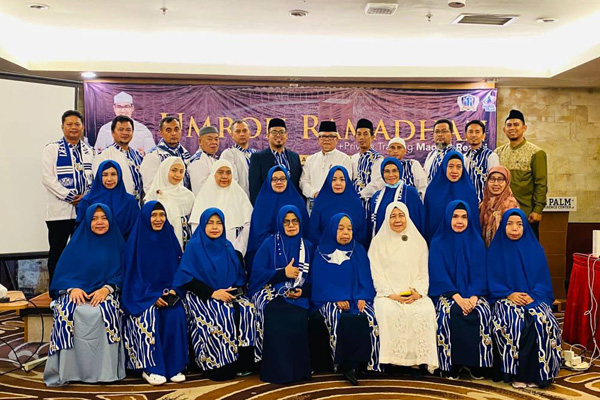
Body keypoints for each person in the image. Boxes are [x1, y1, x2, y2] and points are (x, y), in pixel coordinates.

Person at [44, 203, 125, 386]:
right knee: (67, 311)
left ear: (110, 220)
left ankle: (105, 372)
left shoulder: (118, 244)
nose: (99, 222)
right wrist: (72, 288)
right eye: (94, 218)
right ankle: (67, 371)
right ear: (87, 221)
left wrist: (107, 289)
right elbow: (62, 274)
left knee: (105, 311)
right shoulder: (76, 244)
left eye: (104, 218)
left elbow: (125, 273)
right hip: (76, 291)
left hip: (106, 291)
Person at [172, 208, 256, 381]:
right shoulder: (194, 247)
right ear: (202, 225)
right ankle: (217, 365)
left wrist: (233, 290)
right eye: (210, 223)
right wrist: (212, 293)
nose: (215, 227)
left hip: (226, 292)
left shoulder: (227, 246)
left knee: (248, 309)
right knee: (220, 313)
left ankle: (243, 363)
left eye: (219, 223)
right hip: (200, 294)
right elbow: (187, 279)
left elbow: (238, 275)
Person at [488, 209, 561, 389]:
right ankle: (517, 374)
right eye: (510, 224)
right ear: (503, 226)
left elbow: (543, 280)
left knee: (543, 320)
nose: (514, 228)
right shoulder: (496, 249)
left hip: (533, 297)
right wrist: (509, 294)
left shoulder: (536, 249)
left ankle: (540, 374)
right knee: (515, 321)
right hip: (505, 298)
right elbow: (491, 281)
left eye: (519, 224)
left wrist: (533, 295)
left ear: (525, 227)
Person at [121, 201, 188, 386]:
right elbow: (131, 277)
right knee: (149, 316)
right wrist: (151, 297)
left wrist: (174, 290)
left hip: (167, 295)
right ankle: (150, 367)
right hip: (141, 297)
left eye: (162, 215)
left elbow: (180, 270)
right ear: (145, 217)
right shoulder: (135, 242)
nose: (158, 219)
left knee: (175, 313)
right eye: (153, 215)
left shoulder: (169, 238)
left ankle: (174, 367)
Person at [368, 202, 438, 375]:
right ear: (387, 219)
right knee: (387, 311)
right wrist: (390, 294)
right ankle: (393, 362)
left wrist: (417, 293)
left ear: (407, 217)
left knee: (425, 311)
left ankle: (417, 362)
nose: (397, 220)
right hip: (388, 296)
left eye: (401, 216)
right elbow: (376, 273)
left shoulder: (418, 241)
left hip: (414, 294)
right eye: (393, 216)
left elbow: (424, 272)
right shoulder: (378, 243)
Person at [311, 213, 380, 385]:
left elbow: (365, 277)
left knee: (370, 316)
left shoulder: (358, 249)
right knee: (337, 317)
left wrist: (362, 296)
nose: (345, 233)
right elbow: (320, 282)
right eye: (340, 229)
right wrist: (336, 298)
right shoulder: (320, 251)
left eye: (349, 229)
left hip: (357, 296)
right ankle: (345, 365)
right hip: (329, 299)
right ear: (332, 229)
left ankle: (366, 363)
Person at [248, 206, 313, 384]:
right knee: (276, 314)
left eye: (295, 221)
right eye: (286, 222)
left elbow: (315, 279)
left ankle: (298, 372)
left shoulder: (307, 247)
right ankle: (276, 372)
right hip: (269, 291)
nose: (291, 225)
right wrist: (283, 273)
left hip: (298, 296)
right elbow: (256, 274)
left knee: (297, 315)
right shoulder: (269, 244)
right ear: (280, 224)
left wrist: (303, 291)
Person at [428, 200, 493, 379]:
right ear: (448, 218)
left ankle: (476, 364)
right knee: (449, 312)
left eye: (464, 217)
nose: (459, 221)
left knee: (482, 312)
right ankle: (452, 365)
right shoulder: (438, 242)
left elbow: (480, 273)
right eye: (455, 216)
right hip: (447, 293)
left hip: (473, 293)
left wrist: (473, 297)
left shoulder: (476, 242)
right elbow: (439, 274)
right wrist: (458, 298)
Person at [42, 110, 95, 283]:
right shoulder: (52, 149)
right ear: (62, 126)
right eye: (69, 124)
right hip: (60, 213)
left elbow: (94, 179)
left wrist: (85, 197)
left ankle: (81, 287)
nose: (73, 128)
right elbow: (48, 178)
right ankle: (56, 290)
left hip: (84, 211)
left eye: (77, 124)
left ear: (83, 127)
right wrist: (70, 196)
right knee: (57, 252)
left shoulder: (90, 151)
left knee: (83, 251)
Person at [495, 109, 548, 239]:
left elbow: (541, 184)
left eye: (516, 124)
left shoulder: (536, 153)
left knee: (527, 249)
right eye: (509, 125)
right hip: (502, 215)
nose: (512, 128)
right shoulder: (498, 153)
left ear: (524, 128)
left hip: (526, 214)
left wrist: (537, 210)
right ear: (504, 129)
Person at [246, 166, 308, 274]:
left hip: (297, 250)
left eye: (282, 179)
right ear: (269, 181)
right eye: (274, 179)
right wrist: (277, 243)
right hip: (269, 252)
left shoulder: (298, 201)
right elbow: (258, 233)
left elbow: (305, 229)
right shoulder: (262, 202)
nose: (279, 182)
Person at [189, 160, 252, 255]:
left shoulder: (239, 195)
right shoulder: (204, 196)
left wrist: (237, 249)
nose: (225, 176)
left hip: (235, 250)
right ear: (214, 174)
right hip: (207, 251)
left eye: (228, 173)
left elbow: (248, 224)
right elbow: (196, 226)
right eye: (220, 172)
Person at [424, 151, 480, 242]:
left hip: (464, 243)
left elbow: (474, 223)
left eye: (458, 167)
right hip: (437, 243)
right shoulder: (432, 192)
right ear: (444, 167)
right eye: (450, 166)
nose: (454, 171)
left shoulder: (469, 191)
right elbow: (427, 222)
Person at [76, 160, 139, 239]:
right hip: (94, 244)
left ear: (119, 176)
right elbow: (81, 231)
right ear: (99, 176)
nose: (109, 179)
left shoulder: (130, 201)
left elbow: (135, 230)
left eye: (113, 174)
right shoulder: (87, 201)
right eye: (105, 175)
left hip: (124, 245)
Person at [309, 166, 367, 247]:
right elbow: (314, 231)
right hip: (325, 249)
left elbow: (361, 231)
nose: (338, 183)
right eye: (334, 179)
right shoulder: (320, 202)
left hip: (352, 249)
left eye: (342, 179)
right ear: (329, 181)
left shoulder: (355, 202)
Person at [300, 121, 352, 210]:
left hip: (335, 205)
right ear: (318, 139)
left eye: (331, 136)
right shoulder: (311, 160)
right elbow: (303, 182)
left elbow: (346, 183)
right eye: (323, 136)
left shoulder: (344, 159)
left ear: (337, 139)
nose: (327, 140)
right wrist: (314, 193)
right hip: (313, 205)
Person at [144, 157, 195, 249]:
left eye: (181, 171)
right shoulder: (153, 196)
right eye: (174, 170)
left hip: (184, 246)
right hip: (158, 244)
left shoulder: (188, 196)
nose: (177, 175)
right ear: (164, 170)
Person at [249, 118, 302, 205]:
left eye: (281, 132)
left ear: (287, 135)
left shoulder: (294, 157)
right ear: (267, 135)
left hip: (291, 206)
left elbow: (298, 185)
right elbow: (255, 189)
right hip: (269, 206)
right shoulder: (257, 158)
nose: (278, 135)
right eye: (274, 132)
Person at [368, 157, 424, 238]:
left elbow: (418, 221)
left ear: (400, 172)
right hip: (382, 242)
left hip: (405, 241)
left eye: (394, 171)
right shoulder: (376, 196)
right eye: (387, 171)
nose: (391, 175)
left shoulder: (409, 193)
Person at [93, 115, 144, 202]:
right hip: (115, 205)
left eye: (128, 130)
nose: (125, 133)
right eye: (120, 129)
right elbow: (100, 188)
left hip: (137, 206)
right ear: (112, 132)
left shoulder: (138, 156)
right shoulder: (104, 156)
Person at [363, 137, 427, 200]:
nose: (395, 151)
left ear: (405, 151)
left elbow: (422, 188)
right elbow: (376, 185)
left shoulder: (412, 164)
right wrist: (362, 195)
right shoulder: (384, 166)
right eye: (392, 148)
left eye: (399, 148)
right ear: (388, 151)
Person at [94, 91, 156, 155]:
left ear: (132, 108)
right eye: (119, 106)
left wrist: (144, 154)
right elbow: (98, 153)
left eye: (126, 106)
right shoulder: (105, 129)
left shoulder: (143, 129)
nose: (123, 111)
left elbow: (152, 154)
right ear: (114, 108)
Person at [140, 116, 191, 193]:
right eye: (168, 130)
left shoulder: (185, 153)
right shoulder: (153, 155)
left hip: (184, 198)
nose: (173, 133)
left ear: (181, 131)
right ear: (161, 133)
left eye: (176, 129)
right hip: (163, 199)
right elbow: (150, 188)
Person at [479, 166, 520, 246]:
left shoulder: (511, 205)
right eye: (492, 179)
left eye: (500, 180)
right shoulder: (483, 205)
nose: (496, 183)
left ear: (506, 182)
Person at [463, 120, 500, 203]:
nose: (473, 135)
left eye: (477, 132)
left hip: (486, 204)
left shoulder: (491, 156)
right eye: (470, 132)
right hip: (467, 203)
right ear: (466, 135)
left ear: (483, 135)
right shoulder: (464, 157)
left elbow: (495, 182)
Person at [220, 120, 257, 197]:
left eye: (244, 130)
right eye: (238, 131)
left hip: (256, 199)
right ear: (232, 135)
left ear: (250, 133)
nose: (242, 134)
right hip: (238, 199)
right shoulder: (229, 154)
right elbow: (232, 181)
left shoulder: (255, 154)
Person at [351, 118, 383, 202]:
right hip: (352, 201)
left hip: (370, 202)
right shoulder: (353, 159)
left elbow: (377, 184)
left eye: (365, 134)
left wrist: (359, 195)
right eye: (359, 134)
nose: (362, 137)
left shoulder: (377, 159)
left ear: (372, 137)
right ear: (355, 137)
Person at [188, 126, 220, 195]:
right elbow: (199, 192)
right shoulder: (198, 161)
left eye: (216, 139)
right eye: (209, 139)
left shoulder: (212, 158)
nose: (214, 142)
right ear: (200, 141)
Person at [424, 119, 456, 183]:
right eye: (437, 132)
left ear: (451, 135)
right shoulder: (431, 154)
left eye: (444, 131)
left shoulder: (456, 154)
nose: (440, 135)